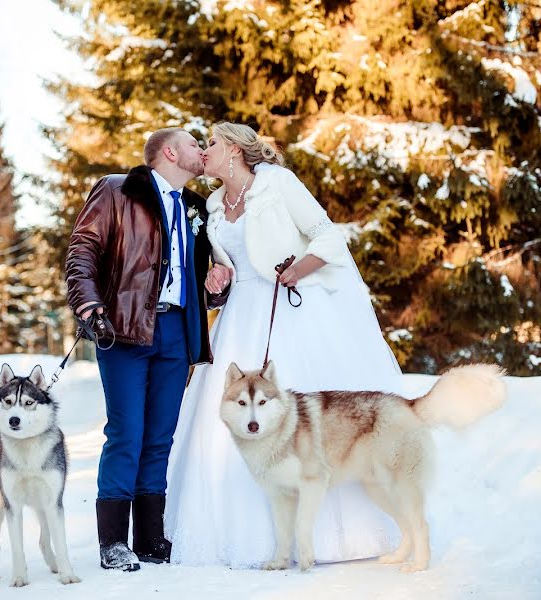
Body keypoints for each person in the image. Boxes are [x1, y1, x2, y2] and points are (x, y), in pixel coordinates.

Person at [165, 122, 404, 567]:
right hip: (241, 318)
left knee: (304, 420)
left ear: (234, 149)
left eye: (211, 143)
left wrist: (300, 268)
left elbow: (327, 235)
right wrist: (218, 277)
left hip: (292, 308)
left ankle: (337, 535)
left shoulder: (278, 184)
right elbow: (227, 267)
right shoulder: (214, 205)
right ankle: (241, 536)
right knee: (229, 418)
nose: (204, 151)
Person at [65, 128, 223, 571]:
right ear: (170, 152)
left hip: (176, 331)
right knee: (127, 432)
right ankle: (112, 542)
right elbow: (83, 249)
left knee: (160, 437)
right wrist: (88, 302)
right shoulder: (118, 189)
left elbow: (193, 274)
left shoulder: (196, 208)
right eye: (195, 143)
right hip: (125, 328)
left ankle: (151, 539)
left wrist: (213, 289)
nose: (202, 151)